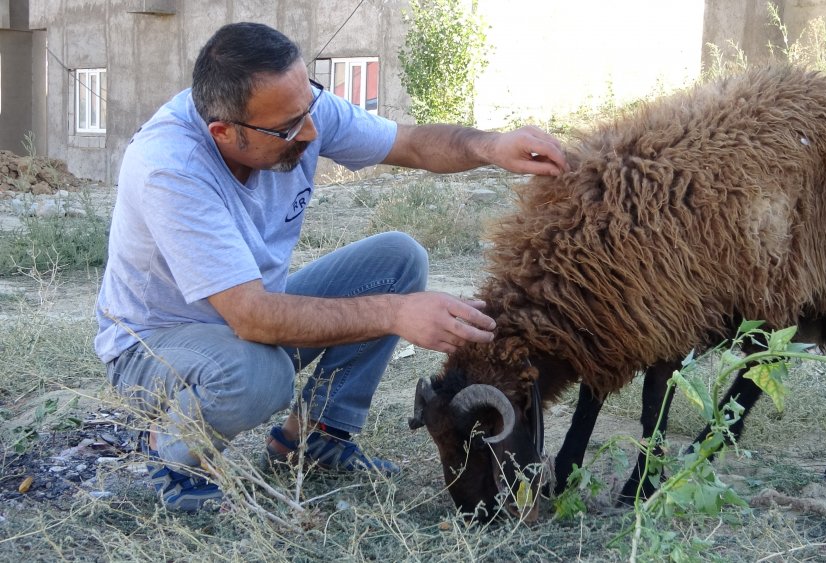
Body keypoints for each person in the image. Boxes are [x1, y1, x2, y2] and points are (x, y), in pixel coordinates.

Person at [94, 21, 567, 512]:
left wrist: (490, 147)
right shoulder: (170, 168)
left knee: (398, 259)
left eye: (310, 107)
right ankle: (167, 447)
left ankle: (315, 438)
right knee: (261, 377)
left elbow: (408, 143)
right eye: (289, 127)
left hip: (246, 316)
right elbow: (250, 316)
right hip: (156, 346)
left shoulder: (291, 111)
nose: (312, 132)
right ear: (223, 132)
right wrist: (394, 313)